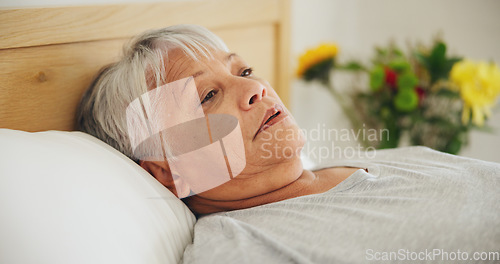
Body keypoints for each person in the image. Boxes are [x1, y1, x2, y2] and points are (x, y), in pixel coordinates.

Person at [77, 25, 499, 263]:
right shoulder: (242, 250)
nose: (255, 89)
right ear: (166, 171)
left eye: (243, 71)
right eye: (207, 96)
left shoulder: (401, 158)